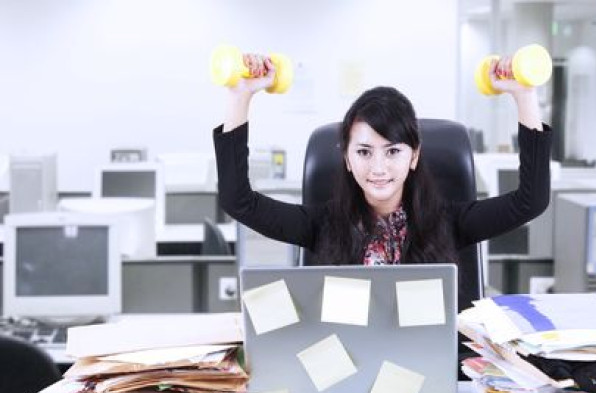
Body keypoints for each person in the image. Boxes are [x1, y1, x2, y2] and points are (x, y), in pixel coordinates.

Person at [213, 54, 551, 270]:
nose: (378, 168)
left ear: (414, 155)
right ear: (346, 157)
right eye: (363, 151)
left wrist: (524, 96)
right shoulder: (323, 224)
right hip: (345, 373)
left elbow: (530, 201)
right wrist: (240, 95)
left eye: (393, 151)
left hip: (428, 370)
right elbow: (238, 201)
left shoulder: (447, 222)